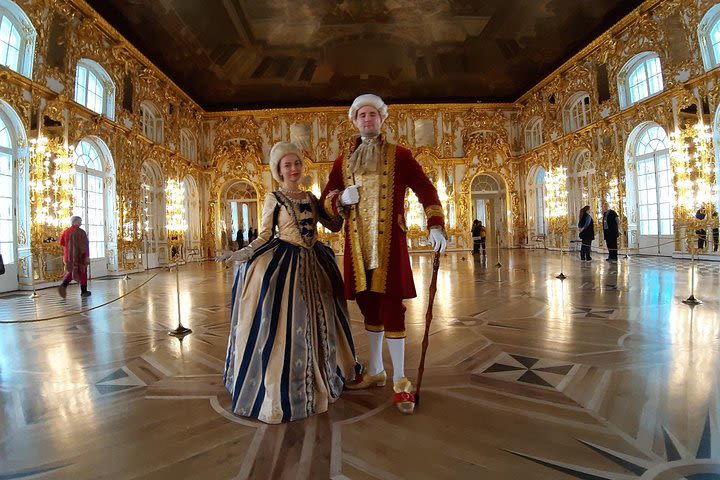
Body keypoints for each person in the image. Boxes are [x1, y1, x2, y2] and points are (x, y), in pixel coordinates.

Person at [320, 93, 447, 414]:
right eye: (361, 115)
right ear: (354, 120)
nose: (367, 119)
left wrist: (435, 224)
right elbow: (325, 202)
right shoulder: (342, 161)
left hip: (390, 247)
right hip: (357, 248)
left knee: (392, 307)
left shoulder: (400, 156)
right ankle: (375, 371)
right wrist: (339, 200)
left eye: (372, 114)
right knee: (368, 307)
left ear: (382, 119)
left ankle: (400, 378)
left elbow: (426, 189)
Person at [220, 141, 359, 424]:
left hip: (316, 263)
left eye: (296, 163)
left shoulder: (310, 196)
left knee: (321, 319)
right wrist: (242, 254)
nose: (293, 169)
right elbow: (264, 236)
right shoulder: (274, 198)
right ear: (279, 170)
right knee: (290, 324)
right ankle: (292, 382)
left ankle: (322, 370)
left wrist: (343, 204)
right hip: (286, 262)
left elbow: (332, 225)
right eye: (287, 165)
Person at [58, 216, 91, 298]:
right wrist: (86, 256)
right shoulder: (81, 232)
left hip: (68, 256)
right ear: (75, 222)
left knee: (71, 271)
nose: (81, 223)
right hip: (80, 256)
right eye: (80, 221)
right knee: (83, 272)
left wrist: (70, 249)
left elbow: (61, 243)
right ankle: (84, 291)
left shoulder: (66, 231)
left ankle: (63, 286)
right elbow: (85, 246)